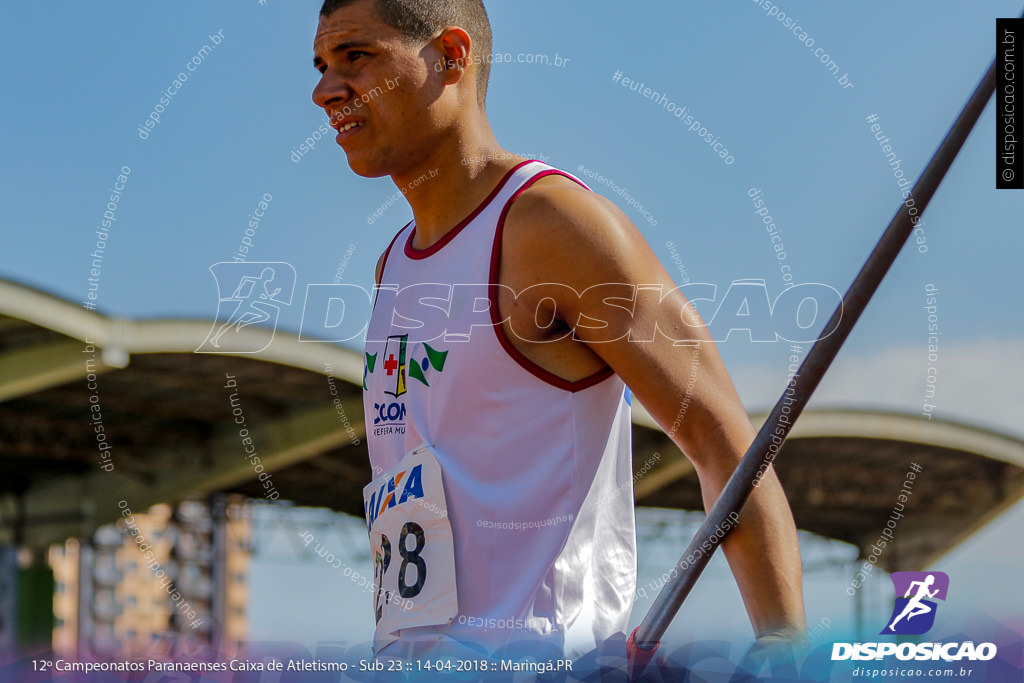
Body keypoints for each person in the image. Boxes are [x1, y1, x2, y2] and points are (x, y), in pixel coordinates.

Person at [311, 0, 806, 664]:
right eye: (319, 66)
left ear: (451, 56)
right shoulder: (392, 265)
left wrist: (783, 643)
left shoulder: (553, 224)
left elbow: (725, 445)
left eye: (356, 57)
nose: (324, 90)